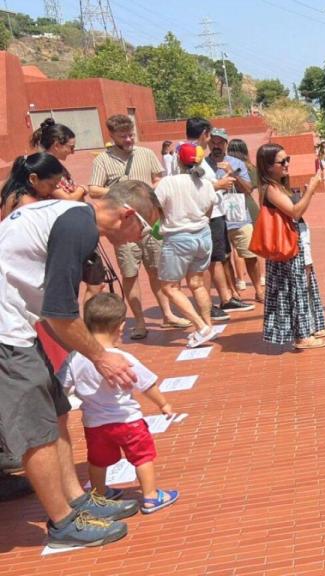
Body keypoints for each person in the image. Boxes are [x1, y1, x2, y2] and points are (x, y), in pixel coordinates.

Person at [0, 180, 161, 548]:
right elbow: (60, 312)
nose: (140, 239)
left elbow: (58, 313)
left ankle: (77, 500)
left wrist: (84, 352)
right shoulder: (77, 225)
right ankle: (63, 522)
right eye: (145, 228)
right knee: (35, 425)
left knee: (56, 410)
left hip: (19, 324)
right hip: (6, 331)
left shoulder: (74, 219)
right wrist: (102, 357)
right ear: (126, 214)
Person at [62, 293, 180, 514]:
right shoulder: (121, 357)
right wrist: (163, 404)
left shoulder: (75, 358)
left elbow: (61, 386)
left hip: (94, 424)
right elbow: (147, 384)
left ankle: (99, 495)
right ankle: (151, 496)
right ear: (120, 326)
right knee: (142, 457)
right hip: (128, 421)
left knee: (98, 461)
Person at [89, 114, 188, 338]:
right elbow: (94, 189)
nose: (128, 139)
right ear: (112, 135)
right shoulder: (102, 161)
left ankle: (167, 315)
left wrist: (150, 193)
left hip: (150, 224)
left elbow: (158, 179)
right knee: (130, 273)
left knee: (157, 270)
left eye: (131, 134)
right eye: (123, 136)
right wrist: (124, 194)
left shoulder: (146, 154)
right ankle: (140, 322)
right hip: (123, 227)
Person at [256, 143, 325, 349]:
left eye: (288, 159)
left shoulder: (278, 186)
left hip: (295, 241)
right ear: (269, 166)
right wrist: (311, 191)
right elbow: (295, 211)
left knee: (305, 282)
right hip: (287, 245)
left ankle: (311, 325)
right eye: (282, 161)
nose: (287, 164)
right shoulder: (270, 189)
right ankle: (302, 335)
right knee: (295, 287)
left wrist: (308, 193)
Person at [153, 143, 220, 348]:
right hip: (203, 234)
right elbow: (209, 209)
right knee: (197, 283)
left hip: (178, 237)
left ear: (178, 160)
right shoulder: (206, 183)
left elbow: (156, 208)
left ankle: (201, 326)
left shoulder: (168, 183)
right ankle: (207, 324)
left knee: (169, 287)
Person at [209, 128, 262, 305]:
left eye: (220, 142)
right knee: (224, 257)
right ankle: (233, 293)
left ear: (226, 144)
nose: (216, 146)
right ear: (209, 143)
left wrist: (233, 173)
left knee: (250, 254)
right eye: (213, 142)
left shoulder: (236, 163)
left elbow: (248, 189)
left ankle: (259, 290)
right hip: (215, 216)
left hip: (239, 216)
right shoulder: (203, 165)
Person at [30, 119, 87, 202]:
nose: (73, 152)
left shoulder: (54, 165)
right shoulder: (45, 169)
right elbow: (68, 200)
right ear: (57, 145)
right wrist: (82, 189)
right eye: (71, 147)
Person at [1, 152, 66, 218]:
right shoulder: (28, 205)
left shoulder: (16, 193)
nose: (54, 189)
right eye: (51, 185)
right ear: (33, 179)